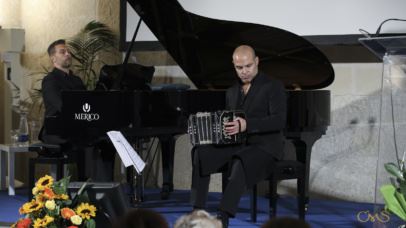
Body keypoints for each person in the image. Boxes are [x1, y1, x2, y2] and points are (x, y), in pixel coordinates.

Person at [190, 45, 287, 228]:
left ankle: (223, 216)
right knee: (200, 152)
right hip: (238, 143)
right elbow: (229, 123)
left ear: (257, 61)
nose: (244, 72)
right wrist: (212, 130)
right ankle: (197, 210)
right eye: (239, 68)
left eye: (248, 66)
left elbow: (279, 121)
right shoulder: (232, 91)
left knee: (239, 160)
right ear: (234, 66)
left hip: (265, 146)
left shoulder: (273, 86)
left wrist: (247, 124)